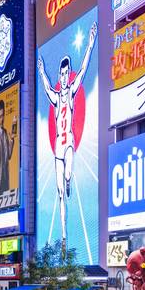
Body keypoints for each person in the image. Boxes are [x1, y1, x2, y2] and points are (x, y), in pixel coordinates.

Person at [37, 21, 97, 251]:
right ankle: (63, 236)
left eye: (65, 73)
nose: (63, 77)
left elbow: (82, 71)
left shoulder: (71, 92)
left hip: (69, 142)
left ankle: (70, 181)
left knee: (68, 175)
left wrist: (90, 43)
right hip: (57, 149)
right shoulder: (55, 95)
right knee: (60, 194)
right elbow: (44, 87)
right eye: (61, 74)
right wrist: (42, 71)